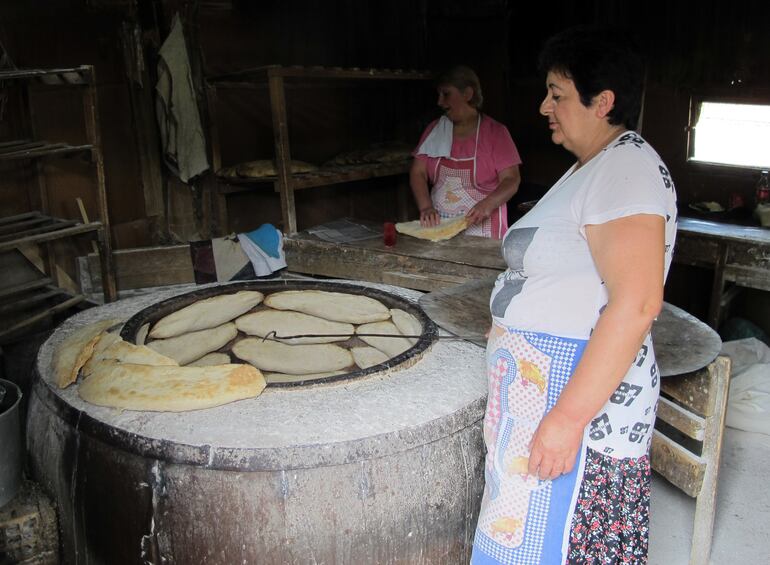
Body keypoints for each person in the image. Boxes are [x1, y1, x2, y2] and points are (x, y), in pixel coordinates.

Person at [472, 26, 678, 564]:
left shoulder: (627, 169)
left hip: (572, 408)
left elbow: (636, 304)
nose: (545, 106)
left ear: (603, 101)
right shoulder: (590, 167)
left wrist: (565, 423)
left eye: (557, 94)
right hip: (539, 393)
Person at [410, 66, 522, 239]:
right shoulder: (434, 131)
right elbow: (418, 172)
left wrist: (488, 204)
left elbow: (511, 179)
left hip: (483, 231)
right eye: (439, 95)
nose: (440, 102)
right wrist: (425, 207)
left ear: (467, 94)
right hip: (440, 227)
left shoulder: (495, 133)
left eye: (446, 94)